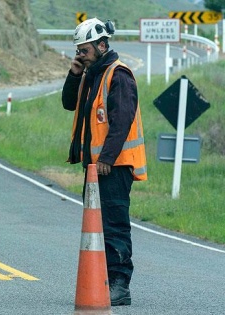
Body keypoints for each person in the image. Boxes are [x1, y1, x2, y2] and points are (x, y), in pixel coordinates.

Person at [61, 18, 148, 306]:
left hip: (115, 165)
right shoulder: (91, 73)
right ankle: (102, 281)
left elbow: (121, 122)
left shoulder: (118, 75)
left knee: (114, 224)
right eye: (77, 51)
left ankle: (120, 285)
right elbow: (69, 104)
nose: (79, 55)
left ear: (101, 45)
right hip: (96, 167)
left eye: (83, 50)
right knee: (97, 226)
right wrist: (74, 74)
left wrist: (107, 159)